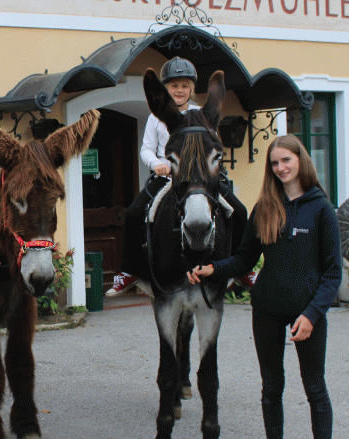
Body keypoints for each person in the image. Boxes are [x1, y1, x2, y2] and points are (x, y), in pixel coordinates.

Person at [188, 134, 340, 439]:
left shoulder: (321, 208)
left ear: (301, 160)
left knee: (315, 388)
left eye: (286, 160)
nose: (281, 167)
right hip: (267, 309)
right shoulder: (265, 207)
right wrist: (213, 269)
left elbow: (333, 273)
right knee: (271, 387)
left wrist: (312, 314)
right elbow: (245, 259)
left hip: (306, 312)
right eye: (275, 163)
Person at [106, 56, 248, 297]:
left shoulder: (202, 113)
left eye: (184, 85)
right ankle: (129, 271)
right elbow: (147, 148)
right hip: (167, 176)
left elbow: (209, 144)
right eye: (174, 85)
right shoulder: (155, 117)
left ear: (192, 88)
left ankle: (243, 267)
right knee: (133, 213)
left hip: (199, 177)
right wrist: (158, 164)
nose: (179, 90)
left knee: (239, 210)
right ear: (165, 89)